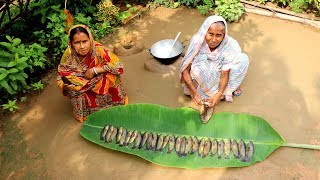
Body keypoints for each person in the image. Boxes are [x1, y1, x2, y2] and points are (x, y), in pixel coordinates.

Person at [180, 15, 249, 123]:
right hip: (205, 71)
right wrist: (193, 91)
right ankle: (202, 91)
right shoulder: (197, 41)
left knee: (243, 59)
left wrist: (219, 94)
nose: (213, 39)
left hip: (221, 72)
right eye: (210, 34)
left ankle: (228, 88)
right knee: (197, 67)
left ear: (224, 35)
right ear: (205, 31)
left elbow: (225, 73)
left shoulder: (230, 45)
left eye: (218, 35)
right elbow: (185, 68)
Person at [57, 24, 128, 122]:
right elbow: (61, 76)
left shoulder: (98, 49)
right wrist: (65, 86)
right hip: (82, 81)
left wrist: (94, 70)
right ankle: (84, 112)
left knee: (112, 74)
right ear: (71, 43)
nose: (82, 47)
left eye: (85, 41)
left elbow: (119, 66)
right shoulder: (68, 55)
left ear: (90, 39)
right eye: (77, 43)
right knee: (72, 90)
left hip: (98, 78)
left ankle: (114, 102)